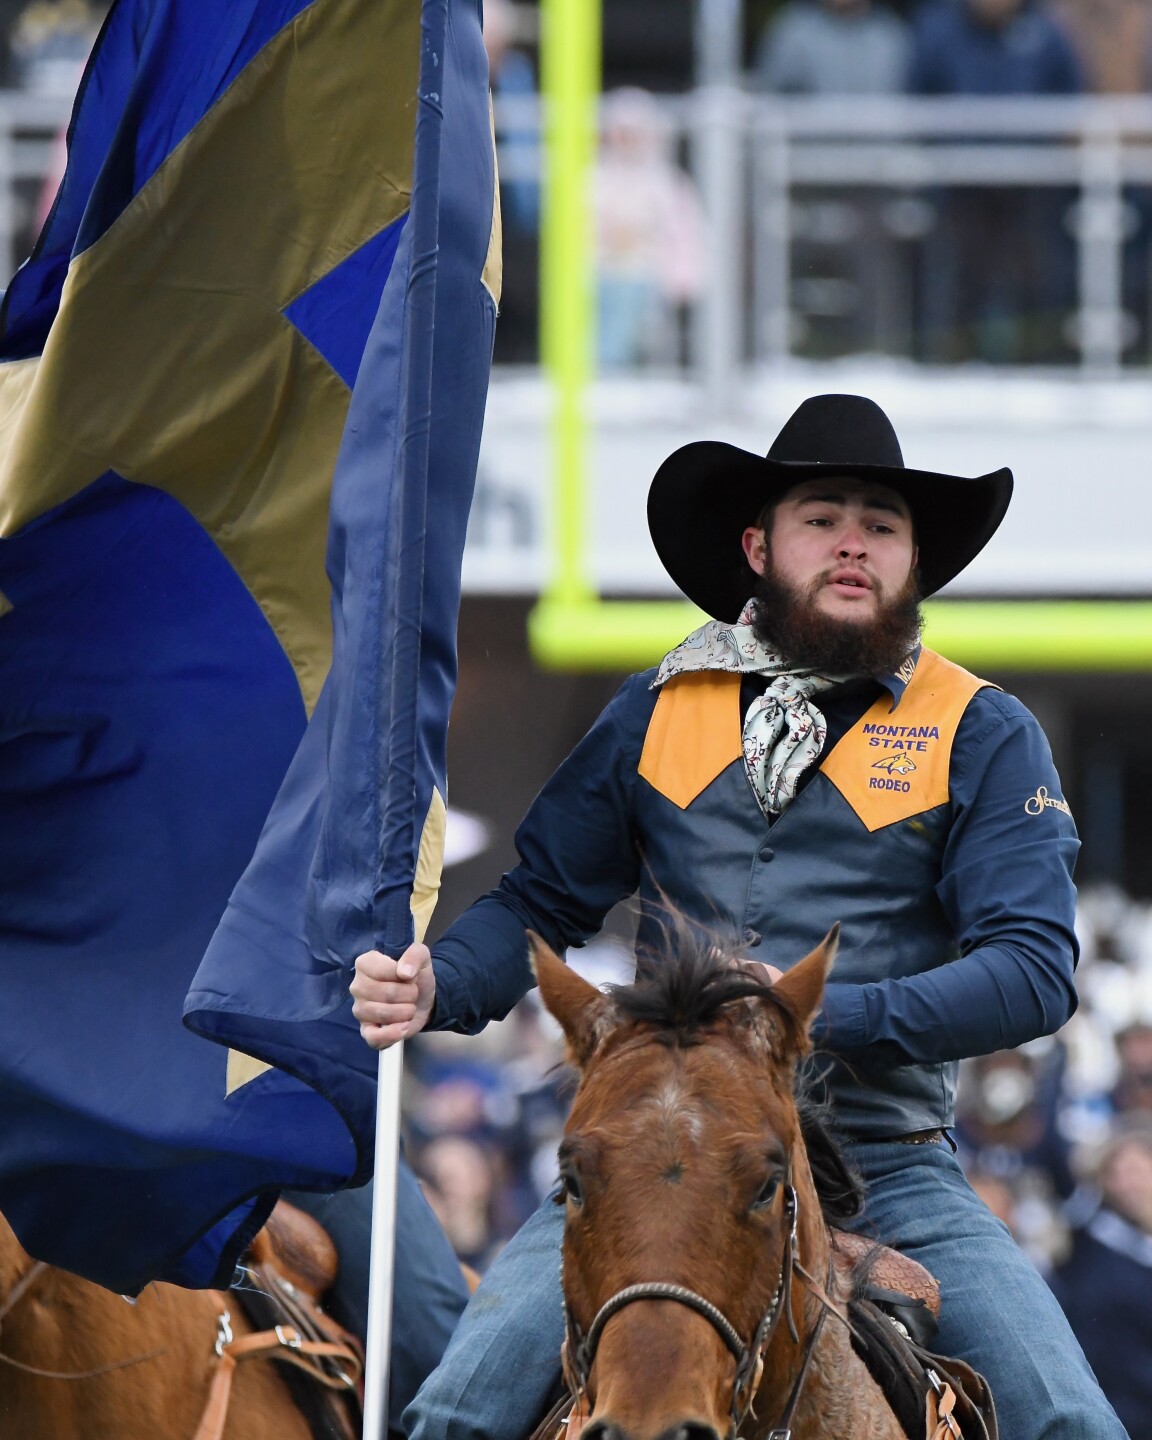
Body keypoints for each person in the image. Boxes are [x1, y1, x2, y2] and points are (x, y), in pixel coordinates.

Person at [351, 393, 1128, 1440]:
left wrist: (814, 1015)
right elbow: (536, 900)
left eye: (883, 524)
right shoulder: (653, 709)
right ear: (760, 545)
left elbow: (1034, 969)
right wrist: (439, 981)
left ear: (912, 562)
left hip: (889, 1161)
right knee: (452, 1418)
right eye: (824, 517)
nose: (854, 543)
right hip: (656, 1160)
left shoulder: (984, 730)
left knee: (1070, 1424)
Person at [1049, 1119, 1152, 1435]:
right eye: (1116, 1174)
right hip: (1115, 1406)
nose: (1126, 1184)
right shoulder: (1090, 1248)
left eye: (1135, 1171)